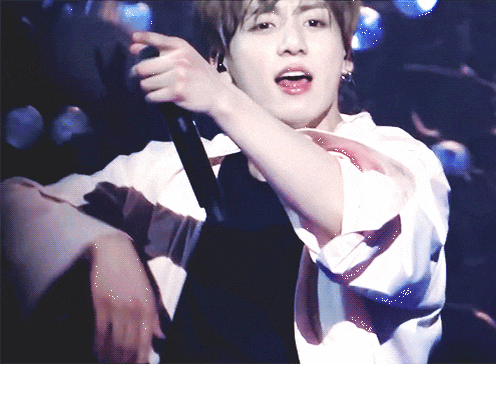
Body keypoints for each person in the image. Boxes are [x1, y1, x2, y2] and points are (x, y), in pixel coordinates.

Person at [1, 0, 450, 363]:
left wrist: (224, 101)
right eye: (263, 25)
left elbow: (363, 224)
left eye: (314, 21)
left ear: (346, 55)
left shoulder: (401, 161)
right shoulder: (169, 170)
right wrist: (101, 242)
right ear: (221, 62)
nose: (293, 44)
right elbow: (12, 207)